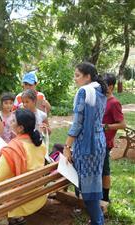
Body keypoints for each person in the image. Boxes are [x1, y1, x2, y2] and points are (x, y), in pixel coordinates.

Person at [63, 62, 107, 225]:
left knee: (88, 188)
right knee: (93, 183)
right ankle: (97, 219)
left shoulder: (84, 92)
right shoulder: (100, 90)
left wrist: (67, 147)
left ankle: (97, 221)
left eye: (77, 75)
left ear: (87, 77)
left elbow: (77, 124)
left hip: (88, 145)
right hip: (98, 141)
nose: (75, 79)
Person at [102, 73, 126, 202]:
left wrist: (105, 127)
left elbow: (122, 124)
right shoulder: (101, 100)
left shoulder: (114, 103)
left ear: (111, 87)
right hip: (97, 141)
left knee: (105, 170)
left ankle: (105, 198)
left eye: (104, 84)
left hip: (106, 142)